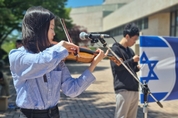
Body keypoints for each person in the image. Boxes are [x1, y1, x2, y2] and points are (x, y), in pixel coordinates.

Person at [8, 6, 106, 118]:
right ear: (38, 29)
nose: (54, 33)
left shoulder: (55, 58)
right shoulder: (17, 56)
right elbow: (40, 62)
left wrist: (93, 65)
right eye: (51, 28)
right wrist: (60, 47)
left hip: (54, 114)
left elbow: (72, 90)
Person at [110, 23, 140, 118]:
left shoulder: (130, 51)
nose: (135, 42)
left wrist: (138, 67)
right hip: (123, 90)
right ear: (127, 36)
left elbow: (132, 69)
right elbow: (117, 67)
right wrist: (132, 60)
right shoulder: (115, 49)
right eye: (134, 39)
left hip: (134, 89)